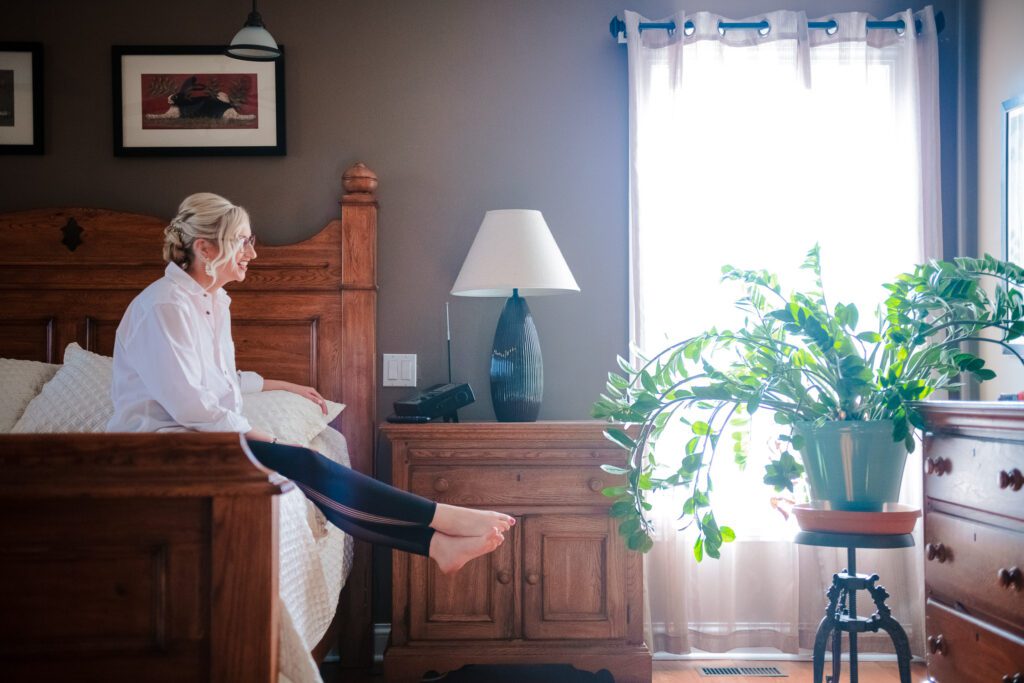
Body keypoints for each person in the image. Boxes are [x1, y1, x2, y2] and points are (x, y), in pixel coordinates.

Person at [107, 192, 512, 574]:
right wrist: (263, 436)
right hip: (161, 449)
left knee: (308, 469)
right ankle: (443, 524)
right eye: (242, 242)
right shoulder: (164, 306)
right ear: (206, 249)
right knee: (305, 463)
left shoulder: (212, 302)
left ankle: (437, 544)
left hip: (196, 439)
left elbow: (215, 381)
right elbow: (190, 405)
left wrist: (279, 384)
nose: (252, 253)